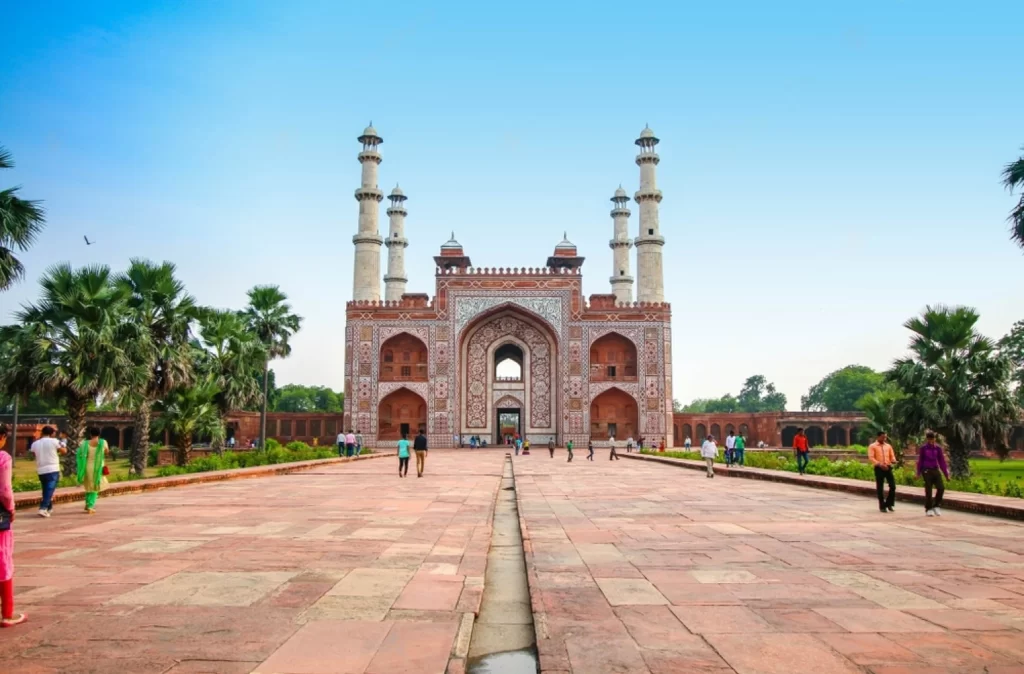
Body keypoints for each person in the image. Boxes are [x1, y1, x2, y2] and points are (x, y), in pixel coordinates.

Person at [0, 425, 26, 627]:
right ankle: (7, 614)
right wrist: (11, 508)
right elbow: (5, 490)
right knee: (3, 561)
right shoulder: (3, 458)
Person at [30, 426, 66, 518]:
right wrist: (63, 445)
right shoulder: (54, 441)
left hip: (41, 469)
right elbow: (64, 451)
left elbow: (34, 453)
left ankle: (49, 507)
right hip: (52, 468)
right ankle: (43, 508)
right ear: (52, 433)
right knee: (50, 489)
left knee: (46, 489)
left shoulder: (35, 443)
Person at [916, 431, 949, 517]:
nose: (931, 441)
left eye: (933, 439)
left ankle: (936, 505)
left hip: (935, 469)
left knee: (941, 488)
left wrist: (946, 474)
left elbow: (942, 461)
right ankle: (929, 508)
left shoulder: (938, 448)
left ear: (935, 439)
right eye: (930, 439)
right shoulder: (923, 448)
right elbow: (920, 461)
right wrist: (918, 473)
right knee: (929, 490)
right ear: (927, 439)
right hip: (926, 470)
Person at [76, 427, 108, 515]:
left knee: (88, 485)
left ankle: (87, 504)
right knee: (95, 487)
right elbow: (106, 452)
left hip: (87, 466)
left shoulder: (84, 443)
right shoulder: (103, 442)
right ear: (99, 434)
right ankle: (90, 506)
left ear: (90, 434)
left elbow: (81, 455)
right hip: (98, 467)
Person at [868, 431, 897, 513]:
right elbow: (871, 458)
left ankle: (889, 503)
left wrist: (894, 461)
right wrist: (880, 464)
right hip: (879, 468)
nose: (884, 439)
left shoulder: (888, 446)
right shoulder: (873, 446)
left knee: (893, 486)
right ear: (878, 437)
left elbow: (892, 456)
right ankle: (882, 506)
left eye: (885, 437)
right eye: (883, 437)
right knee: (880, 487)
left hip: (888, 467)